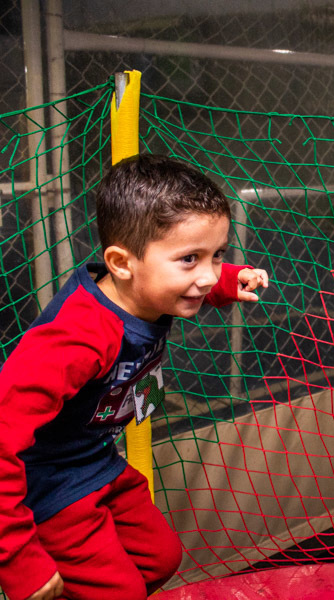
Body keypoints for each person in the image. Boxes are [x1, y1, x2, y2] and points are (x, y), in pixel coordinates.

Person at [0, 154, 269, 600]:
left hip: (95, 460)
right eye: (189, 259)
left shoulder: (140, 291)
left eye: (216, 255)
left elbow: (191, 278)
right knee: (120, 590)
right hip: (48, 487)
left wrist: (227, 281)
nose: (206, 275)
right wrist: (17, 559)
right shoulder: (77, 337)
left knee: (159, 558)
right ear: (121, 263)